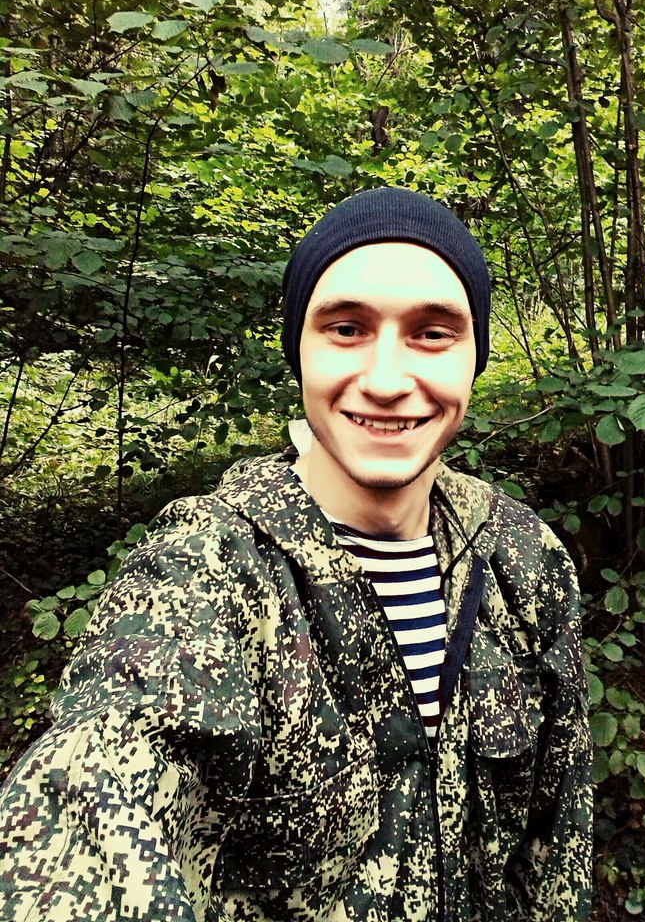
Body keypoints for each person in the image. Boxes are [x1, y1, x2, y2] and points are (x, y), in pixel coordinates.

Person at [0, 187, 592, 922]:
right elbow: (96, 789)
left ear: (475, 358)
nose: (386, 381)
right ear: (299, 350)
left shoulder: (524, 558)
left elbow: (557, 841)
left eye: (433, 333)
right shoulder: (206, 570)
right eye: (346, 328)